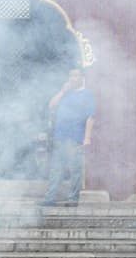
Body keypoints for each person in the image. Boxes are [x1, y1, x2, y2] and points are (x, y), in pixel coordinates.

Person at [40, 67, 95, 207]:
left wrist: (87, 138)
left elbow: (90, 117)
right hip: (60, 137)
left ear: (82, 77)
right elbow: (51, 105)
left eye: (76, 75)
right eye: (70, 75)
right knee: (56, 169)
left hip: (75, 137)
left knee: (75, 169)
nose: (72, 78)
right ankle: (50, 198)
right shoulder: (65, 94)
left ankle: (73, 199)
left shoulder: (87, 95)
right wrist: (63, 91)